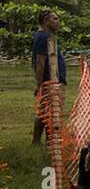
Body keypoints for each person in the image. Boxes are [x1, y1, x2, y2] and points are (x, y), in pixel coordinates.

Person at [31, 11, 67, 144]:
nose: (58, 21)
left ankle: (46, 141)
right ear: (46, 21)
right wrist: (40, 84)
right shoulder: (44, 37)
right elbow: (40, 61)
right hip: (49, 80)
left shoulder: (45, 36)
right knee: (47, 112)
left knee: (46, 111)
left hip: (52, 80)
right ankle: (47, 141)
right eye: (55, 19)